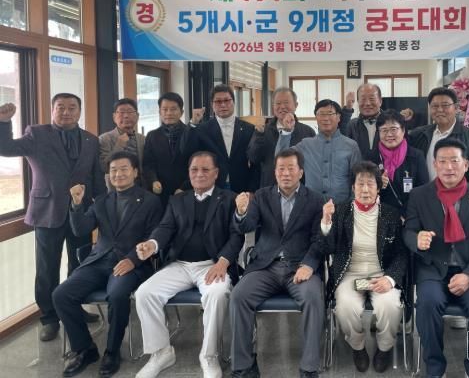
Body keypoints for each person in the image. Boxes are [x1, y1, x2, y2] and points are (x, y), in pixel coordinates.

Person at [0, 95, 106, 341]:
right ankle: (49, 317)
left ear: (80, 111)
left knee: (79, 265)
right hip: (47, 211)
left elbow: (96, 178)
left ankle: (74, 307)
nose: (66, 112)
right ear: (52, 110)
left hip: (81, 213)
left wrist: (102, 210)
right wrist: (4, 122)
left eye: (72, 108)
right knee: (47, 268)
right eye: (61, 108)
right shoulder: (37, 134)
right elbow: (6, 148)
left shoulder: (91, 140)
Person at [134, 151, 244, 378]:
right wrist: (152, 245)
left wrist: (223, 262)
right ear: (188, 173)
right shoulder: (177, 200)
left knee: (217, 293)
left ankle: (209, 355)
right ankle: (161, 352)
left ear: (216, 173)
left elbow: (236, 235)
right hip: (180, 265)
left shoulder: (229, 198)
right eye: (194, 169)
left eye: (205, 170)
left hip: (212, 265)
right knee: (144, 293)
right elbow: (165, 228)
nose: (199, 174)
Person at [53, 151, 162, 377]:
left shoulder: (150, 201)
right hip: (98, 261)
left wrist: (133, 260)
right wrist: (76, 204)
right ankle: (85, 349)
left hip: (131, 263)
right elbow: (81, 229)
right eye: (113, 170)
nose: (118, 174)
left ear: (135, 172)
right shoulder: (101, 200)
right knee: (61, 294)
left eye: (124, 169)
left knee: (117, 295)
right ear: (108, 175)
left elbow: (154, 237)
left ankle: (112, 352)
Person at [404, 138, 469, 378]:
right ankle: (435, 367)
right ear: (434, 164)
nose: (448, 167)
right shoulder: (419, 195)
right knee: (427, 303)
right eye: (442, 161)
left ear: (466, 164)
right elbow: (408, 231)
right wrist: (417, 239)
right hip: (433, 268)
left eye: (454, 161)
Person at [230, 148, 325, 378]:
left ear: (301, 172)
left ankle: (309, 368)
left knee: (313, 298)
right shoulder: (262, 196)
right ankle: (244, 366)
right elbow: (246, 227)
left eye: (291, 168)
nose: (286, 173)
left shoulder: (314, 200)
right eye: (281, 169)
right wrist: (241, 212)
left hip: (300, 267)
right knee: (239, 296)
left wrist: (309, 264)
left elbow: (319, 239)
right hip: (266, 266)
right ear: (274, 172)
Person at [320, 161, 407, 373]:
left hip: (381, 273)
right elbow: (326, 248)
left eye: (370, 184)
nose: (365, 189)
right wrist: (326, 222)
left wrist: (390, 279)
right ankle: (357, 346)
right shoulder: (341, 211)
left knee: (390, 305)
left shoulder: (391, 214)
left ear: (378, 188)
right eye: (360, 184)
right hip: (350, 274)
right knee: (345, 305)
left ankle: (384, 348)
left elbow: (401, 254)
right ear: (353, 187)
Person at [409, 87, 469, 189]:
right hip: (425, 196)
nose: (439, 110)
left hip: (458, 196)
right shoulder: (418, 135)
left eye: (445, 105)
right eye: (435, 106)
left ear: (456, 108)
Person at [294, 99, 361, 203]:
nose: (325, 118)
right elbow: (281, 158)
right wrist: (286, 133)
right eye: (321, 114)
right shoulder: (305, 144)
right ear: (316, 117)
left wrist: (352, 205)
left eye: (330, 113)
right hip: (312, 206)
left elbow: (358, 177)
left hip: (342, 206)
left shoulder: (351, 146)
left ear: (338, 117)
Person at [193, 84, 258, 193]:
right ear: (212, 105)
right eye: (218, 101)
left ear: (233, 102)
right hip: (213, 185)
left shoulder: (249, 129)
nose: (223, 105)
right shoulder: (202, 129)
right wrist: (193, 123)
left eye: (227, 100)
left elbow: (255, 163)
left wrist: (252, 190)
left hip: (242, 185)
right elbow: (189, 153)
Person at [247, 87, 315, 188]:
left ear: (296, 105)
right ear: (273, 106)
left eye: (286, 103)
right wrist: (259, 134)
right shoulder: (263, 130)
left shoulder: (307, 131)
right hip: (269, 188)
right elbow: (253, 158)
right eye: (278, 103)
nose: (282, 107)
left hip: (299, 189)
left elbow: (313, 165)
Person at [365, 109, 428, 213]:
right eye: (384, 130)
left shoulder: (416, 156)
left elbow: (423, 190)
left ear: (403, 130)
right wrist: (376, 184)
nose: (389, 134)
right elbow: (364, 191)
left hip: (410, 215)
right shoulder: (371, 157)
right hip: (380, 216)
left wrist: (406, 215)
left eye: (393, 129)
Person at [142, 92, 197, 207]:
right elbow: (148, 164)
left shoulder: (192, 133)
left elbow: (197, 164)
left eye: (173, 109)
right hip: (160, 193)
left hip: (187, 191)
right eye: (165, 109)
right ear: (159, 112)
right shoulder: (152, 136)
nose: (168, 113)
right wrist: (153, 181)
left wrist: (184, 187)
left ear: (181, 112)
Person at [99, 98, 145, 189]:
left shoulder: (143, 139)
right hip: (115, 190)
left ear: (137, 116)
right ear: (114, 117)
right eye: (122, 112)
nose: (126, 116)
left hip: (140, 189)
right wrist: (119, 146)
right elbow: (103, 167)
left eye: (130, 112)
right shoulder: (104, 139)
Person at [339, 83, 384, 156]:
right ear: (358, 102)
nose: (367, 103)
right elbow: (340, 139)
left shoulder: (390, 123)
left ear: (380, 101)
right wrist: (348, 109)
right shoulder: (352, 125)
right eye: (363, 99)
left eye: (372, 99)